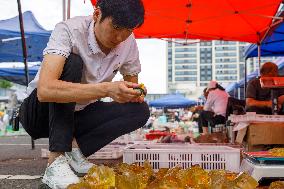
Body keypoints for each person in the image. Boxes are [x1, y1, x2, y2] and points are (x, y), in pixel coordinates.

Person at [19, 0, 150, 188]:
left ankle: (74, 153)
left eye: (128, 30)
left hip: (77, 116)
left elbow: (131, 86)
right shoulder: (69, 30)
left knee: (138, 110)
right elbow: (45, 90)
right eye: (116, 27)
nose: (120, 37)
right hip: (40, 114)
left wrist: (134, 93)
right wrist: (107, 89)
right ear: (97, 15)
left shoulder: (128, 42)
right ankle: (55, 163)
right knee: (72, 63)